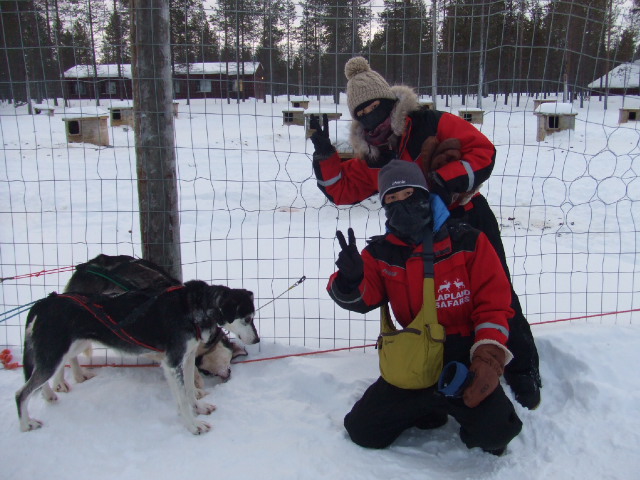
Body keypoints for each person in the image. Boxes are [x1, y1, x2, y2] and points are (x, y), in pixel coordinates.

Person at [310, 56, 541, 409]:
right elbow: (342, 189)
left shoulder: (431, 124)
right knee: (432, 300)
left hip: (466, 219)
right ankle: (443, 363)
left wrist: (443, 183)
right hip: (416, 232)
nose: (373, 118)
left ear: (392, 103)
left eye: (377, 107)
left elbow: (483, 152)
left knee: (498, 293)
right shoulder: (374, 154)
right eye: (363, 113)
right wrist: (326, 155)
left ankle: (521, 369)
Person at [327, 159, 523, 455]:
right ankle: (427, 406)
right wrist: (350, 280)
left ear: (423, 195)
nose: (400, 203)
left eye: (407, 194)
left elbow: (494, 305)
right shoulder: (381, 253)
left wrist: (487, 358)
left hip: (465, 358)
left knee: (496, 436)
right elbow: (363, 299)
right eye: (391, 199)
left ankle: (451, 406)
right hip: (416, 358)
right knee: (363, 431)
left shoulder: (468, 241)